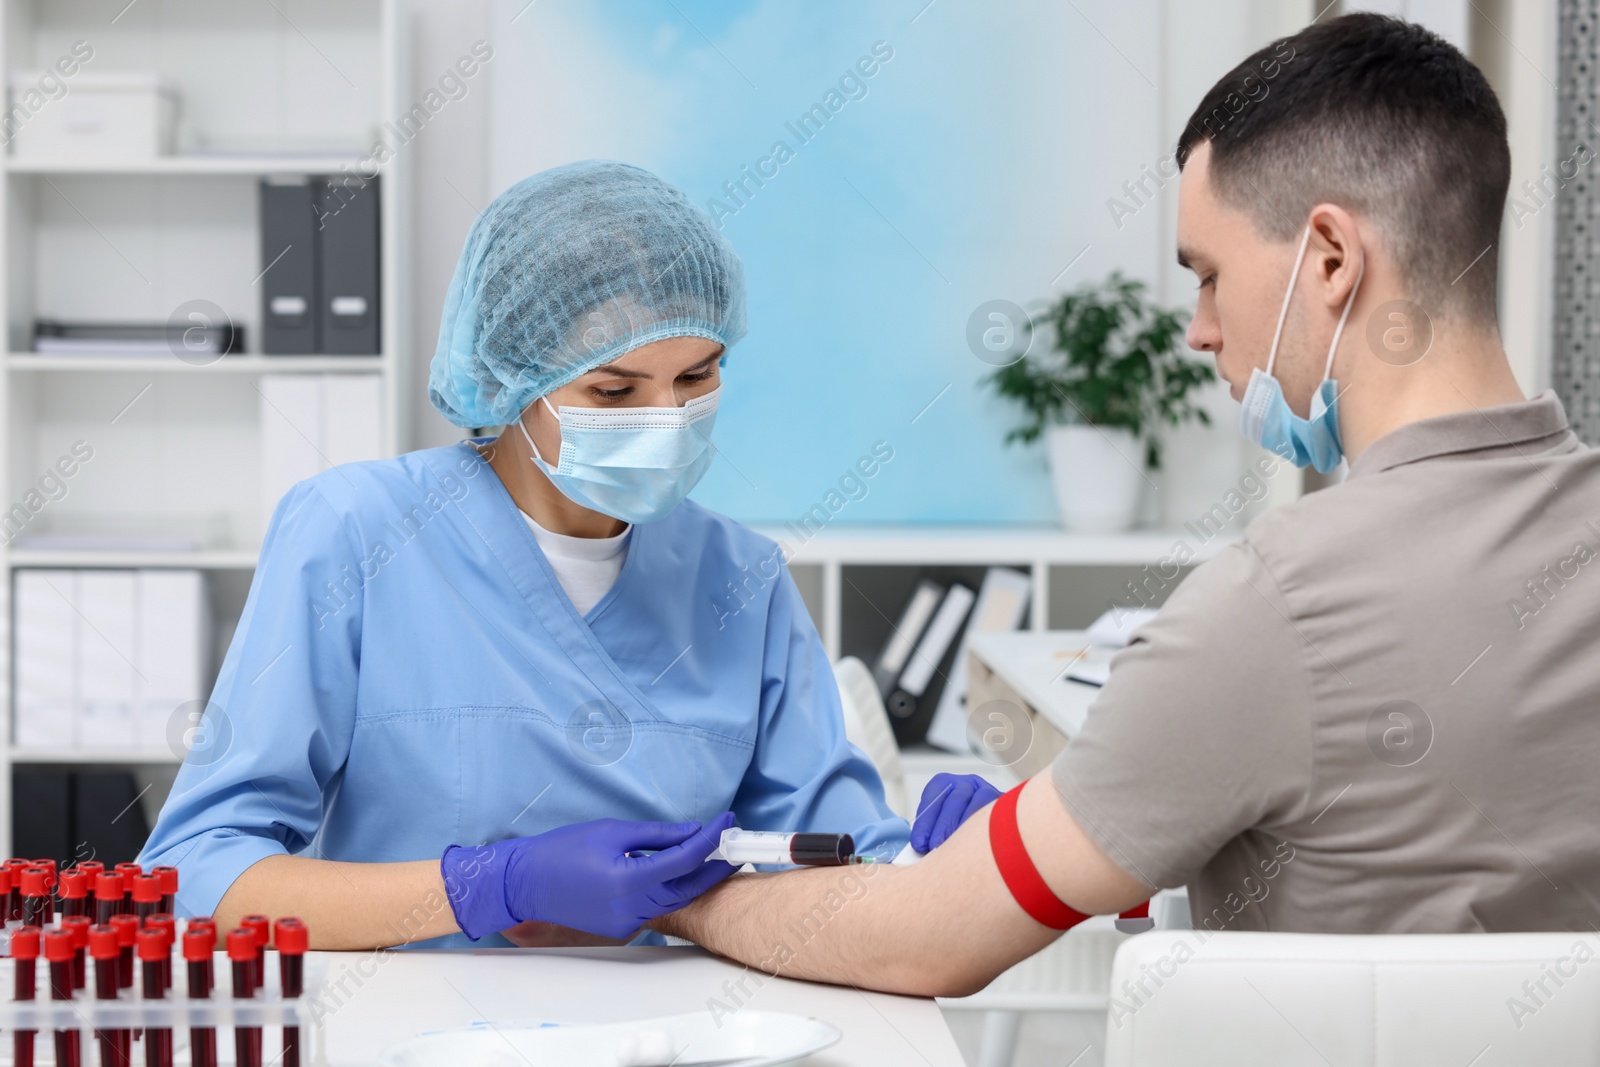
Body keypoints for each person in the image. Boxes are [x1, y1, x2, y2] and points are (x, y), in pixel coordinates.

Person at [650, 14, 1600, 997]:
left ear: (1328, 259)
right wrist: (1116, 815)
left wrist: (682, 899)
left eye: (1207, 275)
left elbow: (924, 940)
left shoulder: (1280, 600)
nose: (1197, 331)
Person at [139, 160, 907, 949]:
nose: (668, 418)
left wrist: (945, 858)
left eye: (697, 375)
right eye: (615, 391)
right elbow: (199, 875)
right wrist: (487, 886)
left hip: (673, 1035)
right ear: (511, 379)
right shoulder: (354, 532)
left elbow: (844, 867)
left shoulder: (742, 577)